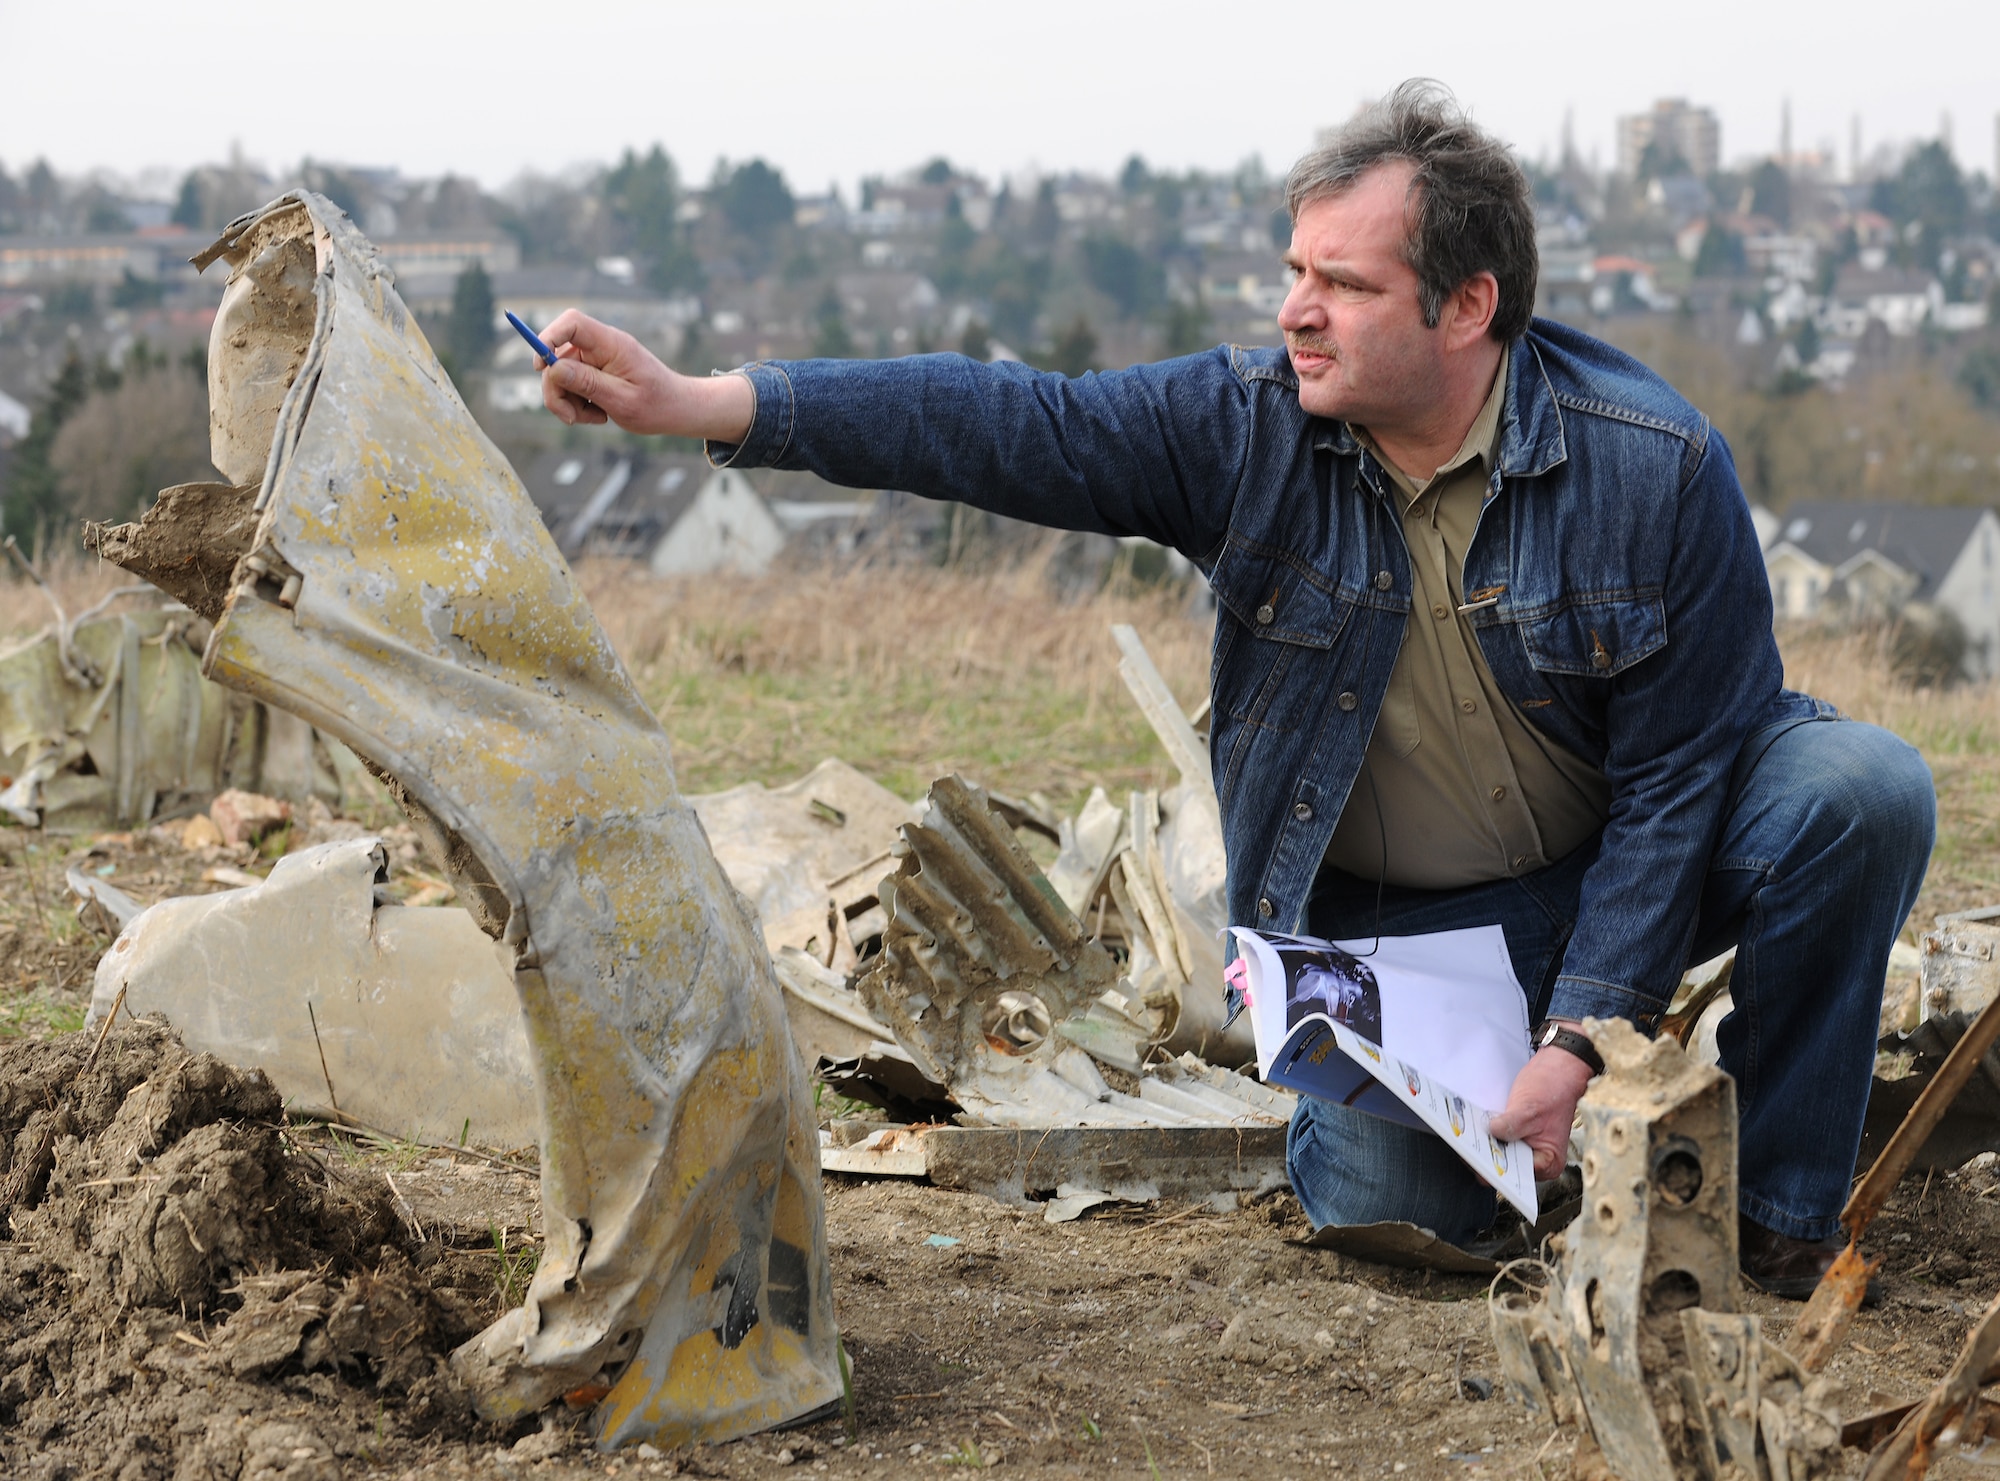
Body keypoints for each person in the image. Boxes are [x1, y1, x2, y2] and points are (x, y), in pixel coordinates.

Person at [526, 81, 1935, 1296]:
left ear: (1468, 307)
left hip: (1636, 852)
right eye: (1293, 269)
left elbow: (1681, 785)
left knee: (1857, 792)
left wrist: (1581, 1031)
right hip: (1404, 929)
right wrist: (710, 402)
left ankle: (1772, 1223)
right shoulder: (1247, 427)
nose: (1294, 312)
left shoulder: (1654, 466)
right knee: (1394, 1209)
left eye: (1343, 284)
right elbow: (1005, 420)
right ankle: (1449, 1113)